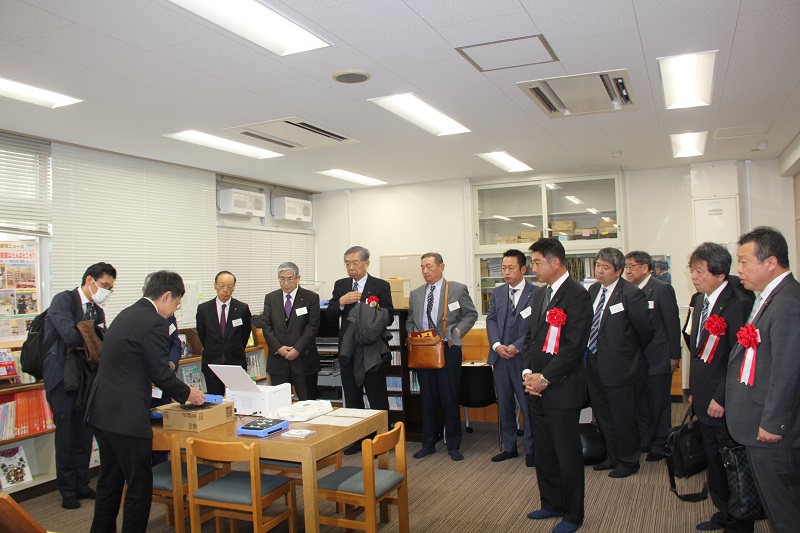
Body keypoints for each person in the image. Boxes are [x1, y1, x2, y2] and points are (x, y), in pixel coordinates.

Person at [86, 270, 205, 533]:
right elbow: (160, 372)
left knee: (109, 481)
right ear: (166, 296)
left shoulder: (127, 313)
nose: (175, 309)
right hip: (127, 417)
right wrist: (189, 393)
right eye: (176, 303)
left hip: (102, 411)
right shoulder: (154, 322)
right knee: (139, 486)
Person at [726, 226, 800, 532]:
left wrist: (774, 423)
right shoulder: (769, 298)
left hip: (772, 432)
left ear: (771, 262)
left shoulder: (788, 302)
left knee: (785, 510)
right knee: (775, 506)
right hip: (755, 421)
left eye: (744, 262)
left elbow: (788, 369)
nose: (739, 270)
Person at [522, 238, 592, 533]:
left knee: (567, 453)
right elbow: (530, 338)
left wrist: (545, 378)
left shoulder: (577, 296)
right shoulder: (541, 294)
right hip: (535, 388)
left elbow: (573, 348)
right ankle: (551, 502)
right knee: (544, 450)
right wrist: (529, 373)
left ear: (555, 262)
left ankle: (573, 514)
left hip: (561, 388)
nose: (533, 268)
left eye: (537, 262)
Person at [686, 243, 754, 533]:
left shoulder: (738, 304)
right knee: (713, 460)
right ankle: (723, 511)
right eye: (692, 270)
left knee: (732, 462)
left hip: (724, 400)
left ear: (720, 274)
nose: (694, 276)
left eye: (699, 271)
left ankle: (740, 521)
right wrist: (695, 391)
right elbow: (697, 350)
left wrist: (721, 396)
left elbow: (740, 358)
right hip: (704, 395)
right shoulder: (700, 300)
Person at [43, 262, 116, 510]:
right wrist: (90, 336)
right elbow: (71, 335)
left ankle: (82, 483)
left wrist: (88, 336)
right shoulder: (63, 300)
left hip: (87, 378)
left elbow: (101, 343)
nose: (106, 291)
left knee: (85, 433)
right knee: (66, 434)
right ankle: (67, 489)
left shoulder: (97, 310)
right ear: (89, 280)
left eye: (110, 288)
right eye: (104, 285)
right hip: (62, 378)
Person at [585, 248, 653, 479]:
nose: (599, 271)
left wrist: (625, 353)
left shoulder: (631, 294)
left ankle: (629, 461)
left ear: (618, 271)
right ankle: (612, 456)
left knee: (623, 417)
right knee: (603, 414)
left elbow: (645, 332)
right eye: (598, 266)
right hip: (594, 364)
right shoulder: (594, 290)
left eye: (605, 267)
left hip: (622, 368)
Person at [407, 252, 477, 461]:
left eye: (429, 266)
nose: (425, 271)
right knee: (427, 399)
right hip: (424, 351)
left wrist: (457, 333)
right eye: (422, 267)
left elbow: (471, 314)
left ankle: (453, 444)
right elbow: (410, 320)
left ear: (441, 267)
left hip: (448, 349)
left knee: (449, 397)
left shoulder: (456, 289)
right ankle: (428, 443)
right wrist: (412, 334)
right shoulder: (416, 294)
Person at [327, 246, 394, 453]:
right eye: (347, 264)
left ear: (366, 263)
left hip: (371, 349)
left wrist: (372, 313)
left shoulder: (380, 285)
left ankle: (381, 440)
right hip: (348, 349)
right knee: (352, 396)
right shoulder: (341, 285)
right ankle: (358, 440)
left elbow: (389, 316)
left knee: (377, 396)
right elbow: (329, 315)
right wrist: (341, 302)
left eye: (355, 263)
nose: (351, 268)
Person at [625, 251, 681, 462]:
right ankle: (645, 439)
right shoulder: (628, 291)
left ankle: (660, 442)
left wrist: (674, 356)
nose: (628, 271)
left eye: (632, 266)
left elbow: (672, 324)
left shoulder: (661, 289)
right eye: (626, 266)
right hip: (635, 359)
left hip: (658, 356)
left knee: (659, 402)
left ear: (645, 267)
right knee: (641, 401)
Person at [486, 249, 537, 466]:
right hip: (500, 359)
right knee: (505, 405)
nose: (506, 272)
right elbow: (491, 320)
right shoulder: (498, 293)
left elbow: (536, 326)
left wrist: (516, 347)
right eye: (503, 268)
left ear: (523, 269)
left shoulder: (536, 293)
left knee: (528, 406)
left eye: (511, 268)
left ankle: (532, 450)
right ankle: (509, 447)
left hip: (523, 359)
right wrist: (497, 345)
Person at [262, 262, 321, 400]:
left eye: (290, 279)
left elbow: (313, 326)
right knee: (279, 403)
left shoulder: (311, 297)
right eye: (282, 279)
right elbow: (266, 326)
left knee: (308, 402)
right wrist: (279, 348)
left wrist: (297, 349)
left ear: (298, 278)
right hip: (278, 361)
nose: (286, 283)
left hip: (303, 359)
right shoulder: (271, 298)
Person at [196, 271, 252, 395]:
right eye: (221, 286)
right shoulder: (204, 309)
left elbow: (245, 334)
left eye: (229, 287)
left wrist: (233, 347)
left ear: (234, 288)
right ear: (215, 285)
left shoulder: (242, 308)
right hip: (212, 362)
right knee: (216, 400)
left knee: (238, 398)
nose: (225, 290)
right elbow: (202, 335)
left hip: (235, 362)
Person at [145, 272, 183, 414]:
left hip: (166, 377)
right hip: (148, 383)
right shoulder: (146, 319)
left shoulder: (169, 316)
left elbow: (175, 342)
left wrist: (171, 363)